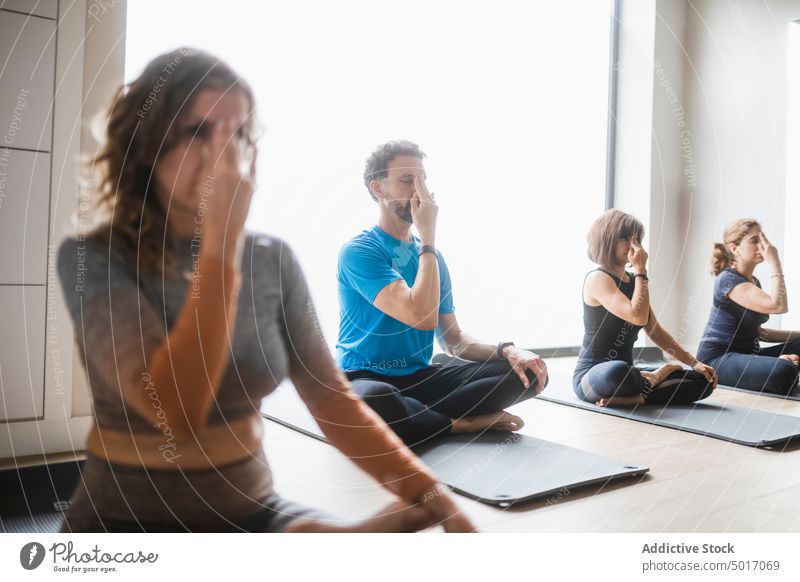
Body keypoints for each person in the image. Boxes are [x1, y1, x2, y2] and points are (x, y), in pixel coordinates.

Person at [56, 49, 473, 533]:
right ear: (147, 145)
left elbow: (331, 399)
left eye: (239, 135)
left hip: (256, 509)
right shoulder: (95, 258)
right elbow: (173, 409)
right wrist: (221, 249)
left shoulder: (272, 261)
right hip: (124, 521)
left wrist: (430, 492)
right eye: (197, 132)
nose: (224, 154)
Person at [335, 140, 548, 447]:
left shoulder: (432, 258)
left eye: (423, 180)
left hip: (421, 380)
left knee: (528, 372)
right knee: (376, 399)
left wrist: (507, 350)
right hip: (364, 378)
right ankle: (460, 424)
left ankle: (416, 419)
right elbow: (419, 316)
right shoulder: (359, 252)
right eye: (408, 181)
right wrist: (429, 238)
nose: (420, 191)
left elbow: (454, 341)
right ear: (378, 189)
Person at [573, 209, 717, 407]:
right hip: (596, 375)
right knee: (620, 373)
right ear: (606, 239)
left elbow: (655, 331)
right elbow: (637, 317)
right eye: (625, 238)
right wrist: (641, 270)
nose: (634, 246)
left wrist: (695, 363)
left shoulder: (635, 281)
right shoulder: (598, 278)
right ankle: (655, 377)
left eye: (637, 239)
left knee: (703, 381)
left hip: (632, 373)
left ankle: (639, 397)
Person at [696, 219, 800, 395]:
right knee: (784, 372)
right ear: (734, 248)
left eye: (762, 238)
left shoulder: (753, 283)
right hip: (717, 359)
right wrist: (775, 262)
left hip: (749, 354)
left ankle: (782, 364)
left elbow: (759, 333)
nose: (762, 245)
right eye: (754, 240)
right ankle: (783, 365)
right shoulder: (728, 280)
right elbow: (778, 306)